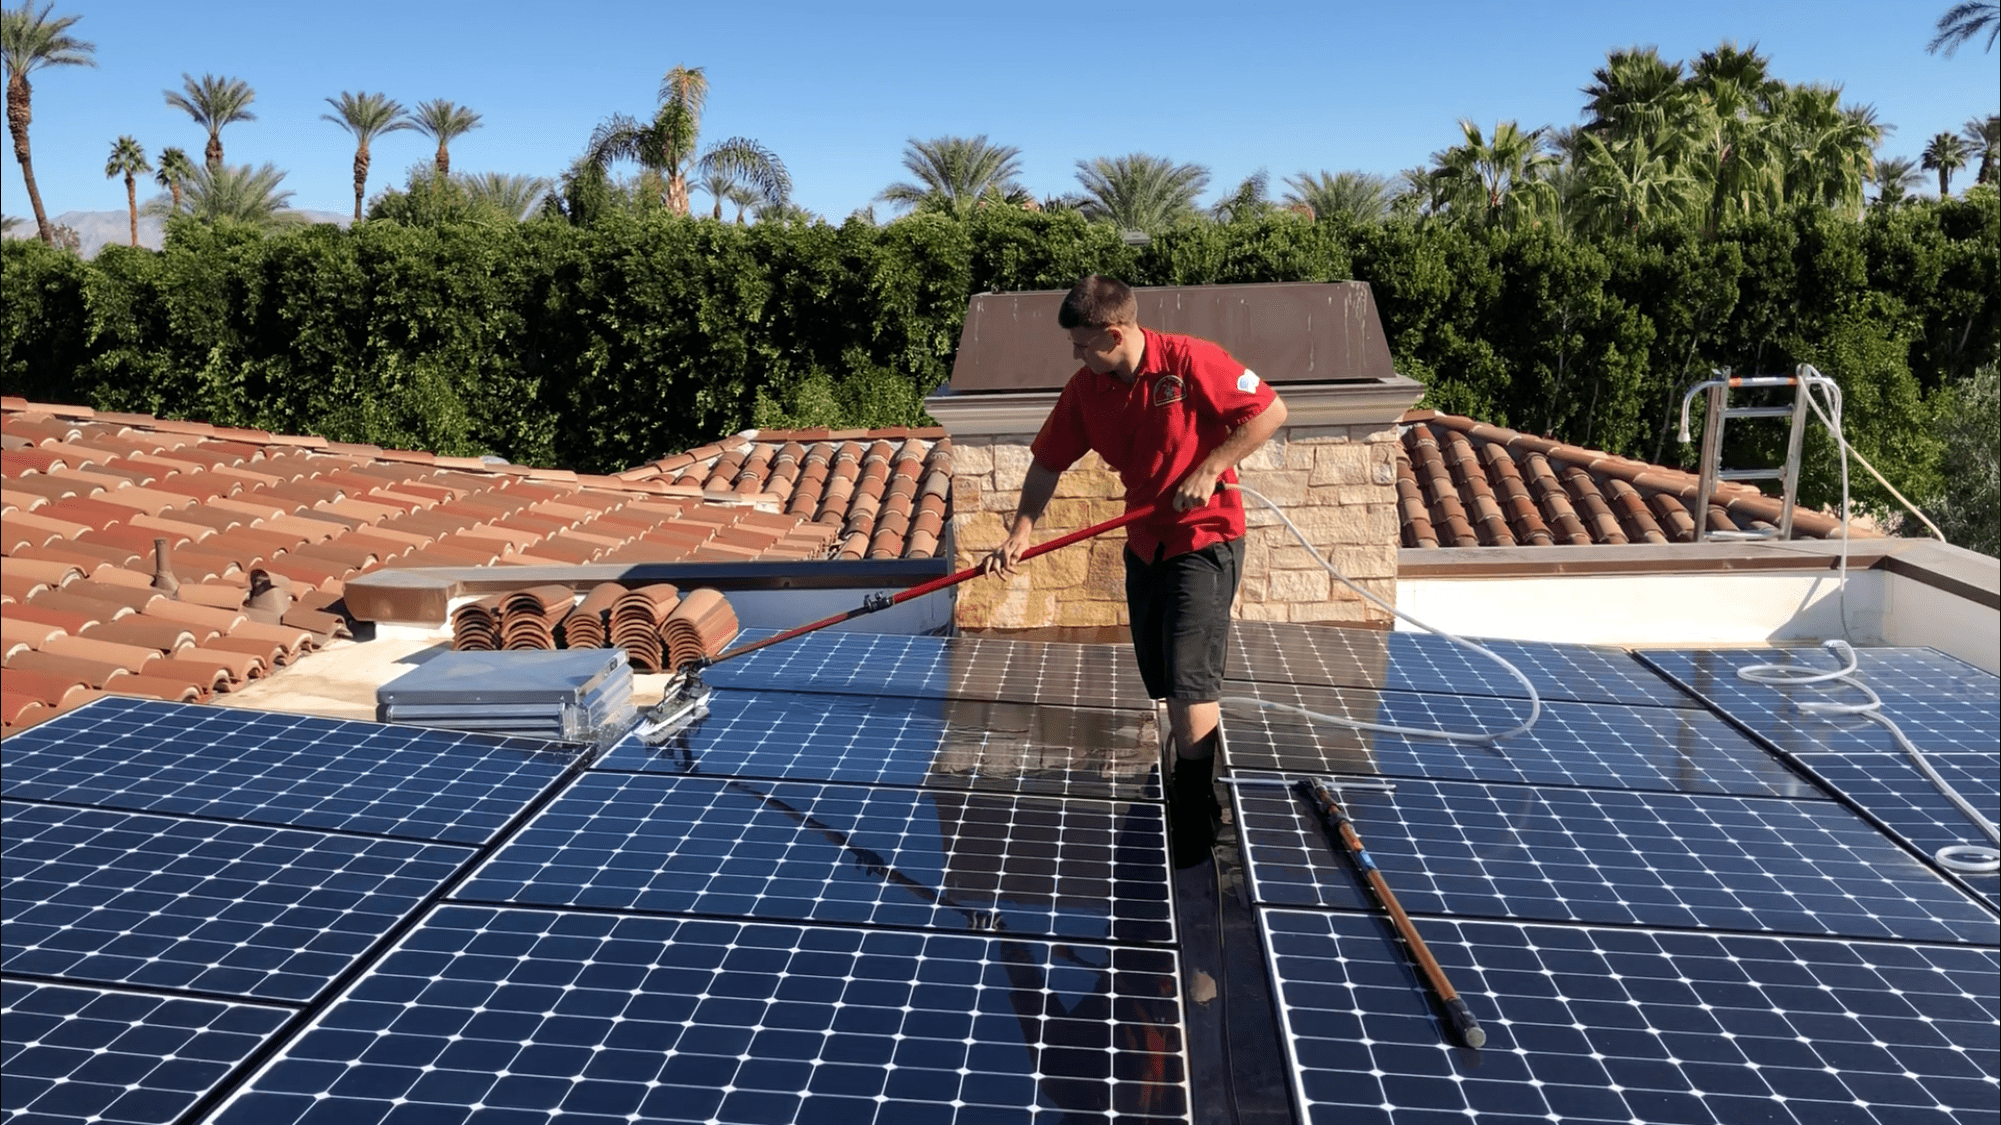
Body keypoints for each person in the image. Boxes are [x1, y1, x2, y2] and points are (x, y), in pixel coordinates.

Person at [981, 275, 1288, 866]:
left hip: (1204, 539)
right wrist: (1020, 531)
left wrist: (1210, 468)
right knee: (1164, 682)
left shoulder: (1191, 360)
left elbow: (1271, 410)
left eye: (1082, 344)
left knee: (1190, 684)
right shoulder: (1086, 390)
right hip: (1145, 544)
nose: (1076, 355)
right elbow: (1046, 463)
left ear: (1114, 333)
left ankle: (1197, 817)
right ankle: (1187, 779)